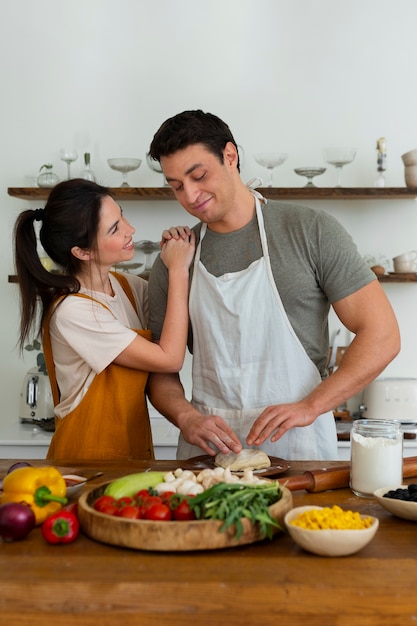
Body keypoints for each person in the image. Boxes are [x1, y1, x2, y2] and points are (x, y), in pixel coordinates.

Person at [146, 109, 400, 461]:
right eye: (176, 186)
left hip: (301, 449)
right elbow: (160, 369)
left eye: (198, 175)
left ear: (230, 156)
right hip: (207, 456)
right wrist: (186, 417)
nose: (190, 195)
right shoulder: (175, 259)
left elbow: (382, 333)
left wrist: (312, 406)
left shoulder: (310, 230)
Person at [13, 179, 195, 461]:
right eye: (115, 228)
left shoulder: (127, 287)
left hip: (131, 455)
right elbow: (169, 358)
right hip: (86, 462)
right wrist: (178, 269)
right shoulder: (74, 311)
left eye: (122, 216)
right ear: (82, 252)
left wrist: (171, 259)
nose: (130, 229)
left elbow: (177, 310)